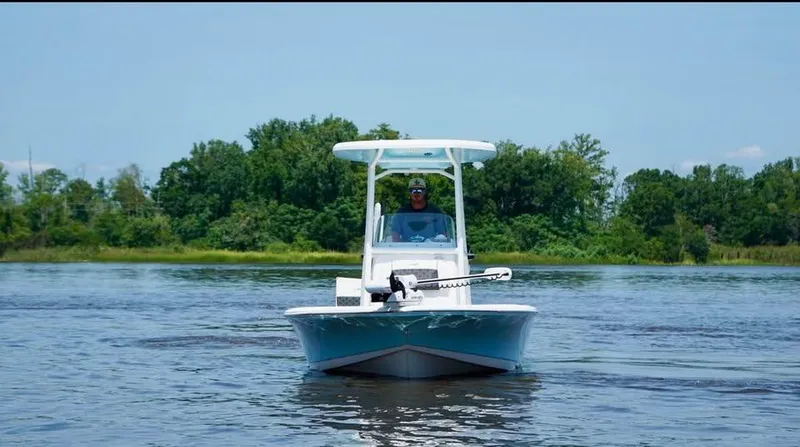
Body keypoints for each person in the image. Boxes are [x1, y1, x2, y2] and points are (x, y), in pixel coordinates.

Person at [391, 177, 450, 242]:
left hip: (431, 249)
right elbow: (395, 237)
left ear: (425, 191)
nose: (416, 194)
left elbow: (444, 236)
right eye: (413, 190)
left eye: (419, 190)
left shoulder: (435, 212)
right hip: (406, 249)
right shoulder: (401, 213)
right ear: (409, 192)